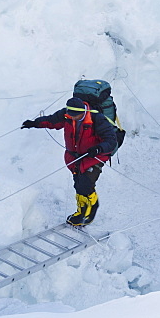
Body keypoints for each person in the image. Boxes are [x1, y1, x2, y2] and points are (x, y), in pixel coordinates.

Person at [21, 96, 119, 227]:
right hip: (74, 158)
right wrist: (34, 123)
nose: (73, 118)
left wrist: (98, 149)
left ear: (83, 112)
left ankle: (90, 211)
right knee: (78, 184)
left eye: (76, 116)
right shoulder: (67, 114)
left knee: (85, 184)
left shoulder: (97, 119)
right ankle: (81, 211)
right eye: (71, 116)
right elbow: (51, 121)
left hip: (94, 157)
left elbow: (111, 140)